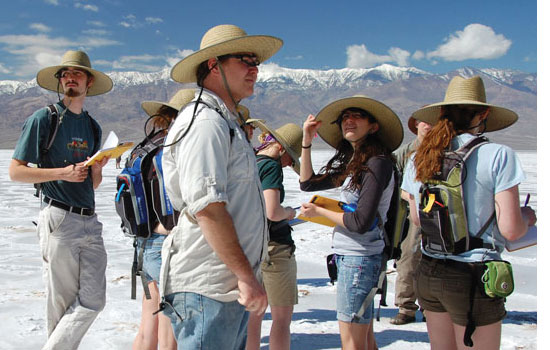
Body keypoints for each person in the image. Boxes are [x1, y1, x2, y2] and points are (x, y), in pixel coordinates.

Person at [160, 24, 283, 349]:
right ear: (214, 65)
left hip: (225, 288)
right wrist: (245, 276)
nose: (255, 70)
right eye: (246, 60)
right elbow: (208, 207)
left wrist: (247, 277)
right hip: (209, 288)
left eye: (257, 62)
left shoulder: (225, 123)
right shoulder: (205, 124)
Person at [400, 76, 537, 350]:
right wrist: (528, 216)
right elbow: (512, 230)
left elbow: (417, 218)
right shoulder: (498, 155)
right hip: (473, 274)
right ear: (484, 113)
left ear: (441, 113)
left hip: (429, 270)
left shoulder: (422, 156)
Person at [8, 50, 112, 350]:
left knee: (94, 300)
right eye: (65, 73)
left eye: (77, 73)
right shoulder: (45, 118)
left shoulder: (92, 127)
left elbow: (92, 183)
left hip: (89, 220)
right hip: (59, 219)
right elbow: (16, 171)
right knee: (61, 303)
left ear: (88, 82)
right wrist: (61, 174)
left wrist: (97, 169)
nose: (70, 78)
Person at [299, 96, 403, 350]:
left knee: (351, 341)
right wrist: (306, 141)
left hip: (360, 258)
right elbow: (307, 183)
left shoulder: (377, 163)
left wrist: (320, 212)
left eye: (356, 115)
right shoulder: (355, 164)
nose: (349, 120)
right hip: (353, 257)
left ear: (373, 126)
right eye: (345, 117)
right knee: (364, 339)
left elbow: (360, 222)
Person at [131, 89, 195, 350]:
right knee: (171, 325)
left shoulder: (146, 147)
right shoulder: (174, 149)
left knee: (149, 324)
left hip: (144, 244)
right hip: (168, 245)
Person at [246, 120, 303, 350]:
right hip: (275, 248)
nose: (289, 163)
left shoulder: (250, 161)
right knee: (281, 318)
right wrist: (290, 213)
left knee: (254, 314)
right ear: (280, 149)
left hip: (252, 245)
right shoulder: (270, 166)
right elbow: (273, 211)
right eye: (290, 157)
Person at [390, 116, 432, 325]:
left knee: (435, 260)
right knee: (408, 257)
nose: (429, 124)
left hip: (439, 214)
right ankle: (406, 307)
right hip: (410, 214)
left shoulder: (447, 150)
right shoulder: (405, 153)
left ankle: (431, 306)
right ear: (416, 124)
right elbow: (391, 180)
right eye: (425, 121)